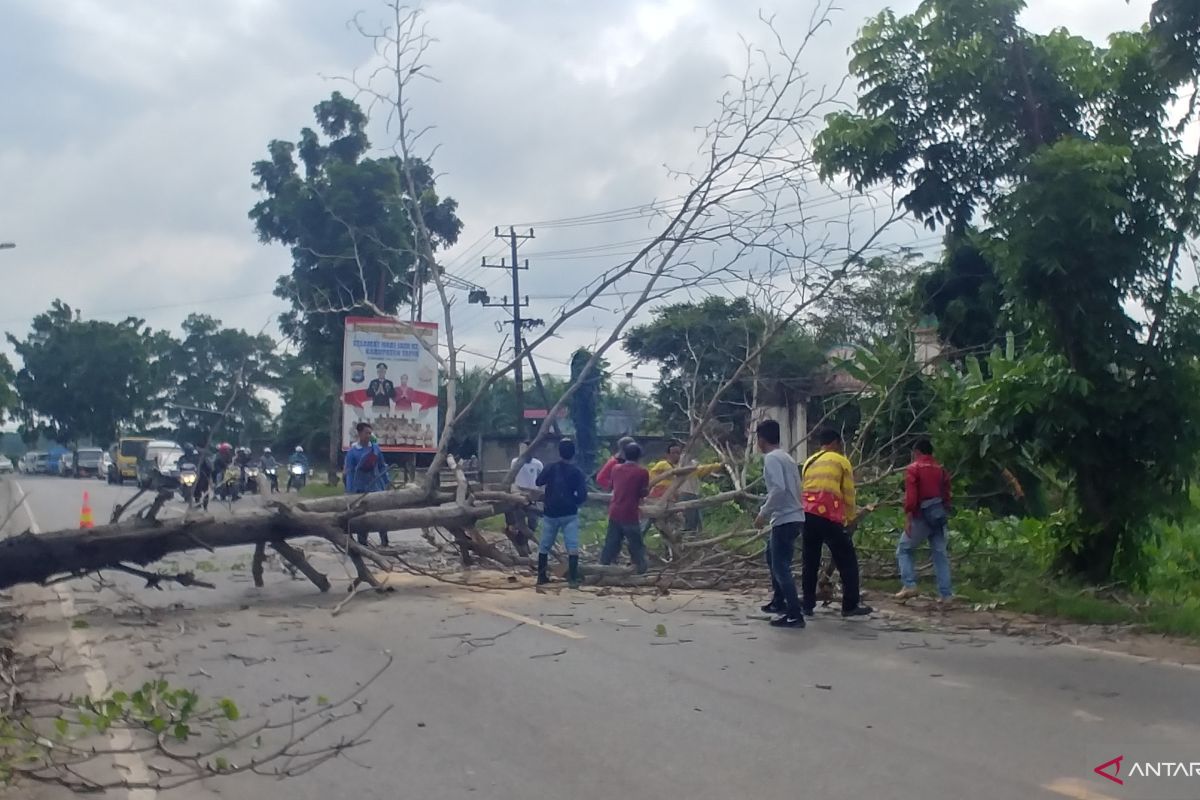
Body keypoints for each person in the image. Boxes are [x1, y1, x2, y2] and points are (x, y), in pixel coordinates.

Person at [801, 429, 873, 617]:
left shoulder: (809, 461)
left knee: (810, 561)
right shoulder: (841, 462)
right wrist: (849, 519)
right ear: (835, 443)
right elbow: (848, 494)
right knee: (847, 560)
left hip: (807, 514)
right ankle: (850, 605)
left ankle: (807, 604)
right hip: (828, 516)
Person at [753, 420, 807, 628]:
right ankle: (778, 601)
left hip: (785, 517)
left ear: (761, 440)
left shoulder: (771, 459)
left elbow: (778, 489)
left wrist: (763, 513)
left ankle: (794, 613)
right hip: (793, 515)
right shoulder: (786, 457)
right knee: (771, 555)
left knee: (781, 566)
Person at [896, 439, 953, 602]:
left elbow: (911, 498)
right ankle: (946, 594)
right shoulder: (941, 470)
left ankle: (909, 585)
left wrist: (908, 517)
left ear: (917, 452)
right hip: (938, 515)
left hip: (921, 516)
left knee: (904, 549)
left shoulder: (913, 469)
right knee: (940, 555)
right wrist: (944, 511)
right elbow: (947, 495)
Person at [535, 439, 589, 588]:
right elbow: (583, 495)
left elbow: (538, 482)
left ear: (559, 452)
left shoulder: (551, 468)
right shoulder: (577, 471)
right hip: (569, 513)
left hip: (550, 512)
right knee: (572, 545)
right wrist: (574, 501)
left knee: (544, 545)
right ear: (573, 453)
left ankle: (541, 576)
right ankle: (572, 578)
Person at [647, 441, 723, 533]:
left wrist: (718, 466)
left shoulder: (683, 467)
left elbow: (701, 469)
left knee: (673, 520)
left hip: (671, 498)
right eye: (674, 453)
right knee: (656, 518)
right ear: (667, 454)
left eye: (678, 453)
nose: (676, 456)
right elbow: (654, 475)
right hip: (661, 497)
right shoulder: (663, 464)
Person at [600, 441, 650, 573]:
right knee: (636, 546)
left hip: (615, 510)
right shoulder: (642, 472)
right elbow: (643, 492)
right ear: (639, 456)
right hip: (630, 513)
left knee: (611, 544)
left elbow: (611, 486)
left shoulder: (616, 468)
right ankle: (642, 572)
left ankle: (601, 570)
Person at [344, 422, 391, 547]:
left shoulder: (375, 449)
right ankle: (362, 542)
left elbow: (382, 466)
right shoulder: (352, 452)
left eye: (370, 433)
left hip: (376, 485)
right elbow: (349, 471)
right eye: (367, 433)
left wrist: (387, 481)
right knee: (361, 515)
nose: (369, 435)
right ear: (359, 433)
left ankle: (384, 540)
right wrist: (350, 490)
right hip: (360, 487)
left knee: (380, 513)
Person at [506, 442, 544, 539]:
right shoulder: (515, 462)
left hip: (533, 496)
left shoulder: (537, 464)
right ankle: (519, 538)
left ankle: (523, 539)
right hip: (518, 495)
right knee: (518, 520)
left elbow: (542, 480)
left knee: (533, 522)